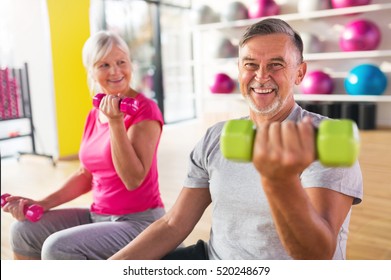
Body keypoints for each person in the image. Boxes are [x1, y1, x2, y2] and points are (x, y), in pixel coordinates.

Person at [109, 18, 363, 260]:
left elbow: (317, 256)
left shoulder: (323, 139)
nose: (261, 76)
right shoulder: (215, 137)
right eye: (250, 64)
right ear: (239, 70)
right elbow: (174, 223)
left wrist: (280, 181)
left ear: (299, 73)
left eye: (276, 64)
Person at [2, 30, 165, 260]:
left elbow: (133, 179)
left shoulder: (145, 110)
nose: (115, 71)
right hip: (98, 215)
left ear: (131, 65)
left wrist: (115, 122)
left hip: (139, 222)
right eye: (104, 65)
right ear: (92, 71)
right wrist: (42, 203)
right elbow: (85, 173)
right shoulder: (93, 114)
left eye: (121, 62)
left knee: (58, 248)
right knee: (23, 231)